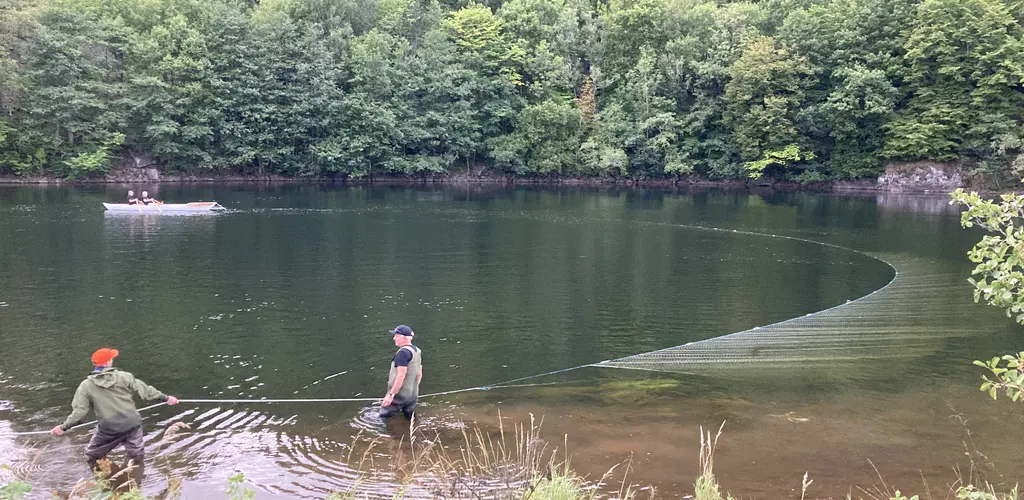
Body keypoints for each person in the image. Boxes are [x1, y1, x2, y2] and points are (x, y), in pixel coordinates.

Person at [50, 348, 178, 481]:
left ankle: (113, 482)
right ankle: (131, 483)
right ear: (107, 363)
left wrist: (63, 427)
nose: (112, 361)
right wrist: (167, 398)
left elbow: (79, 414)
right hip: (132, 423)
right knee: (136, 456)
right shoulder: (124, 376)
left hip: (110, 428)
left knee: (92, 455)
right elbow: (147, 392)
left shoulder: (85, 386)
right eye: (111, 359)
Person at [380, 325, 422, 424]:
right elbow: (419, 374)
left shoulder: (402, 353)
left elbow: (401, 376)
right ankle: (414, 430)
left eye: (396, 336)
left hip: (400, 395)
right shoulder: (418, 351)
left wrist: (391, 395)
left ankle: (390, 434)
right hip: (413, 395)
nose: (394, 338)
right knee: (410, 417)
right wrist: (412, 390)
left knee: (383, 416)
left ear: (404, 338)